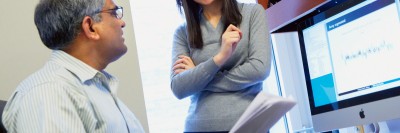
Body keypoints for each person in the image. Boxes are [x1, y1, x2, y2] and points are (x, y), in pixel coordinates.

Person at [1, 0, 145, 132]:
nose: (122, 22)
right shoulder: (50, 93)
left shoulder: (95, 86)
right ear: (90, 27)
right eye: (114, 13)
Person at [171, 0, 271, 132]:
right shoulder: (182, 33)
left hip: (249, 125)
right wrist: (219, 58)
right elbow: (179, 88)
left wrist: (198, 76)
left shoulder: (252, 13)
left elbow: (259, 69)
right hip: (198, 127)